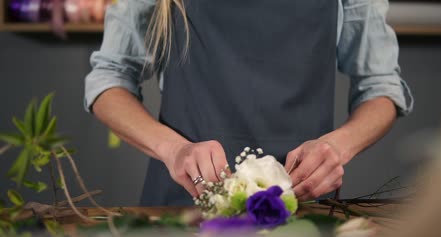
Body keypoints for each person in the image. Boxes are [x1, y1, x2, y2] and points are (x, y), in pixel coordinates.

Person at [84, 0, 413, 206]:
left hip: (302, 210)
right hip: (184, 208)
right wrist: (174, 151)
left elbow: (381, 87)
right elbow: (109, 80)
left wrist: (337, 148)